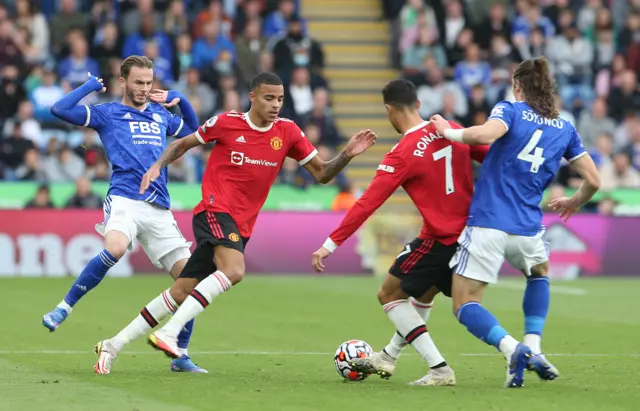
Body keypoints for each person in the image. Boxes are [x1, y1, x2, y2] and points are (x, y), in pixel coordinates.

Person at [92, 72, 377, 374]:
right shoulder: (226, 122)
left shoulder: (289, 132)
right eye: (269, 98)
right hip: (214, 210)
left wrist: (346, 154)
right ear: (252, 97)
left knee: (182, 290)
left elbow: (322, 174)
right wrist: (157, 166)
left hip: (241, 225)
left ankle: (112, 344)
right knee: (235, 270)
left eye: (280, 99)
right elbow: (184, 143)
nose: (276, 104)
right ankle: (168, 333)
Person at [429, 56, 601, 388]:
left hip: (489, 223)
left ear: (518, 85)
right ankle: (534, 346)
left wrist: (446, 130)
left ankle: (513, 349)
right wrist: (572, 202)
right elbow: (593, 180)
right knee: (539, 274)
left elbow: (484, 135)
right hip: (528, 228)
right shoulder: (565, 128)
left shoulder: (509, 109)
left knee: (464, 302)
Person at [312, 79, 489, 386]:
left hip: (439, 236)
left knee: (389, 293)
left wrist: (331, 243)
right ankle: (390, 356)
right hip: (471, 234)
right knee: (424, 294)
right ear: (418, 104)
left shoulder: (403, 151)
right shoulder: (450, 128)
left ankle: (439, 368)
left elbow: (368, 202)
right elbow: (492, 156)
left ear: (388, 110)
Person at [43, 55, 207, 373]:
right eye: (138, 83)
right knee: (115, 248)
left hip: (159, 207)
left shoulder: (161, 116)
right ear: (123, 82)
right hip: (124, 200)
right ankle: (63, 308)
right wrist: (88, 87)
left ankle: (181, 355)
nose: (144, 89)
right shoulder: (108, 114)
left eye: (149, 83)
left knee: (191, 282)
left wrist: (182, 100)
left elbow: (195, 132)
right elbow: (59, 109)